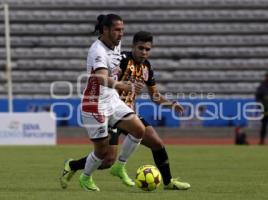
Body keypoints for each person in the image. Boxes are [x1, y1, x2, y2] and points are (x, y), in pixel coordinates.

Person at [60, 31, 191, 190]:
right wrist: (124, 83)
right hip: (110, 110)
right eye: (141, 48)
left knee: (157, 143)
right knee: (107, 160)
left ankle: (168, 182)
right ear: (133, 46)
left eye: (147, 49)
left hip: (127, 113)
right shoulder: (121, 60)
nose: (144, 52)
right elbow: (105, 80)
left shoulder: (147, 67)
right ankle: (73, 165)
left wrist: (171, 104)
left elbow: (155, 96)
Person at [61, 14, 147, 191]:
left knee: (139, 129)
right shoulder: (97, 51)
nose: (121, 34)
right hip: (95, 104)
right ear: (105, 30)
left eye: (122, 30)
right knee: (102, 153)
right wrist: (121, 84)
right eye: (117, 30)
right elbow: (100, 78)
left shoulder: (116, 44)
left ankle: (120, 166)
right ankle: (85, 177)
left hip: (112, 100)